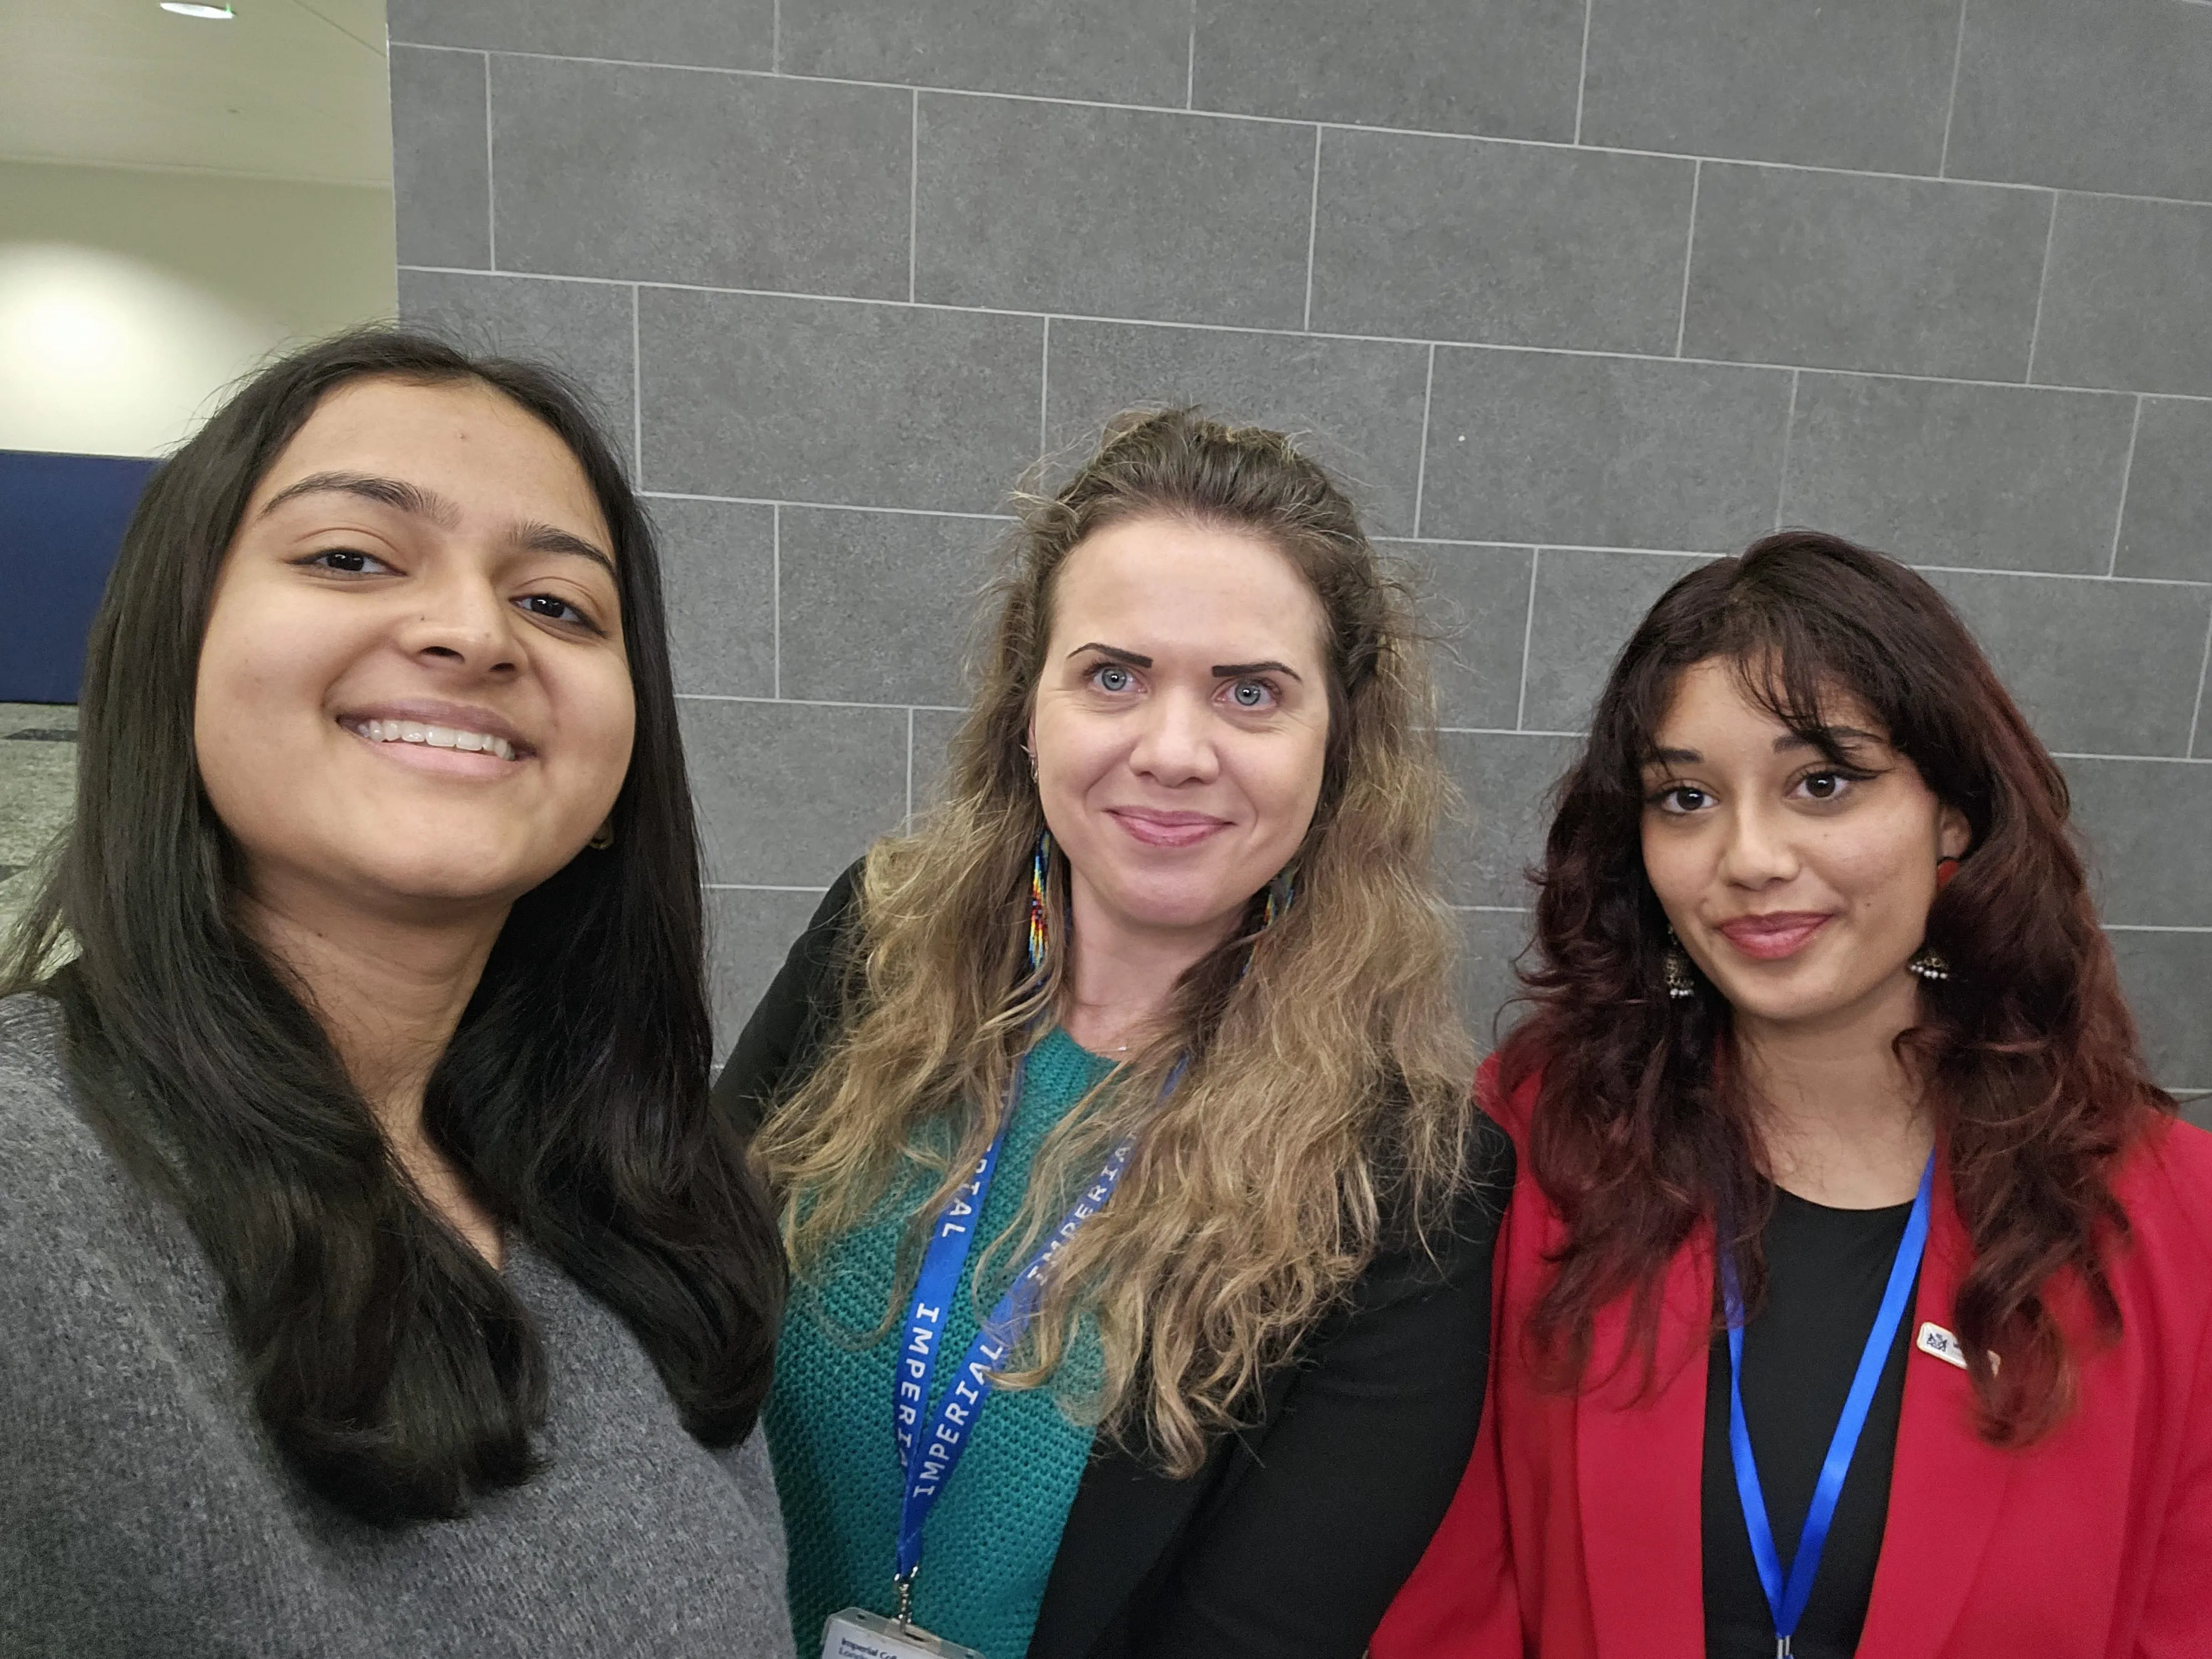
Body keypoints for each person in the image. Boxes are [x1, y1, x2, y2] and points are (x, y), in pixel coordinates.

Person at [0, 330, 792, 1657]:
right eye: (350, 558)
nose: (472, 632)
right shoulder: (35, 1197)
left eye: (556, 605)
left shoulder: (642, 1206)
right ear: (170, 652)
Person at [717, 409, 1511, 1659]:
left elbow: (1253, 1635)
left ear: (1337, 743)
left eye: (1249, 692)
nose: (1173, 750)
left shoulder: (1413, 1183)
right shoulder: (870, 946)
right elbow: (673, 1314)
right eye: (1113, 675)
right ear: (1027, 702)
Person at [1374, 531, 2212, 1658]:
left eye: (1821, 783)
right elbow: (1440, 1593)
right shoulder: (1534, 1139)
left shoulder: (2170, 1220)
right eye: (1684, 799)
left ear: (1951, 815)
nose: (1750, 855)